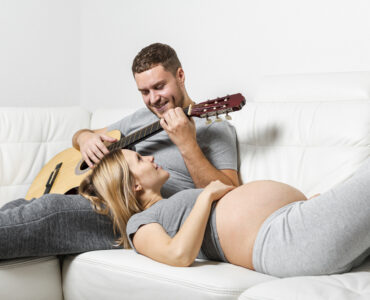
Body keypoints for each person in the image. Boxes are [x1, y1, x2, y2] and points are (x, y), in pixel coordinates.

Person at [74, 149, 369, 278]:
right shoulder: (140, 224)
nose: (151, 158)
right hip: (282, 241)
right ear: (134, 184)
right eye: (139, 159)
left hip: (297, 220)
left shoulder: (174, 201)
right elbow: (178, 255)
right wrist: (207, 197)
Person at [72, 43, 239, 198]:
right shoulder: (141, 117)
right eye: (144, 92)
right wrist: (84, 138)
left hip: (146, 215)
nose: (153, 99)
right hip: (105, 199)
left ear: (180, 76)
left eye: (159, 87)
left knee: (49, 204)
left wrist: (187, 144)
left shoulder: (214, 129)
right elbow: (83, 136)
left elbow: (231, 196)